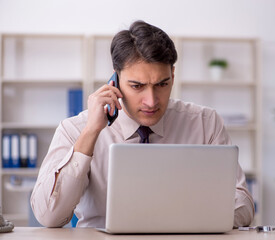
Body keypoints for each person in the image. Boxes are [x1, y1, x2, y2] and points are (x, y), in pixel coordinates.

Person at [30, 20, 254, 228]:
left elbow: (242, 202)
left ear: (173, 77)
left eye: (162, 84)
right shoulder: (76, 130)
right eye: (137, 86)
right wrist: (91, 132)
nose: (152, 101)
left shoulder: (205, 123)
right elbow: (48, 216)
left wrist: (203, 221)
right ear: (115, 80)